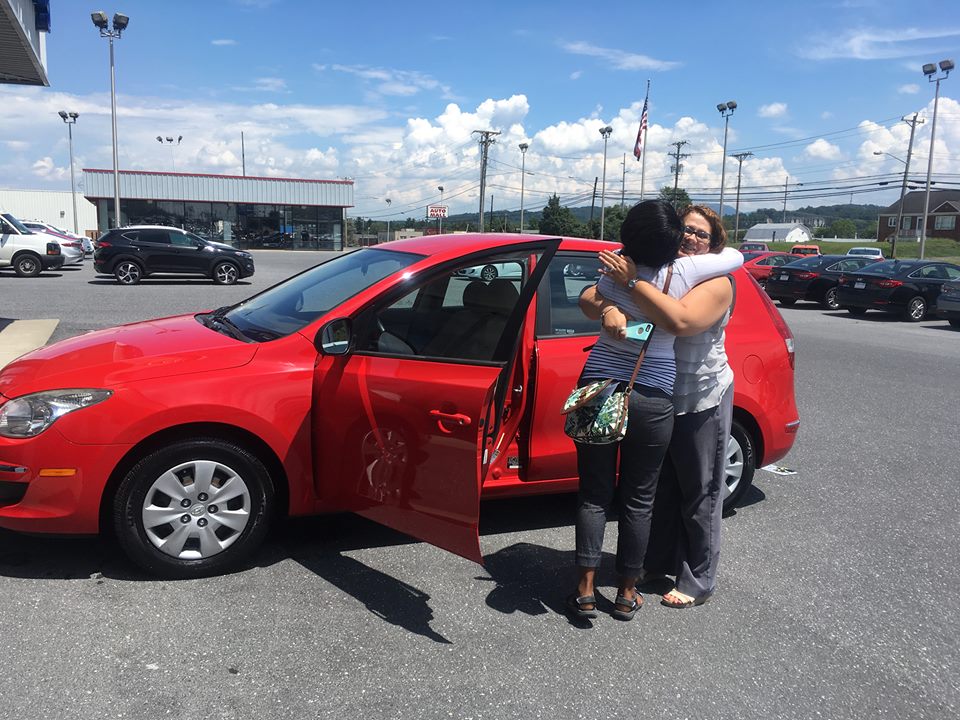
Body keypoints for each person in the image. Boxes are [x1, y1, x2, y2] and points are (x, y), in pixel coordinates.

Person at [567, 200, 743, 621]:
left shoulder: (710, 277)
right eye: (685, 229)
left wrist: (625, 287)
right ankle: (632, 584)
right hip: (657, 392)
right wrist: (613, 305)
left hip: (698, 393)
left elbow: (680, 321)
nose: (691, 237)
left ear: (714, 243)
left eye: (702, 234)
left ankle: (693, 578)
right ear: (670, 233)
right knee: (646, 496)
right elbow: (590, 298)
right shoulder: (673, 269)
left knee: (696, 490)